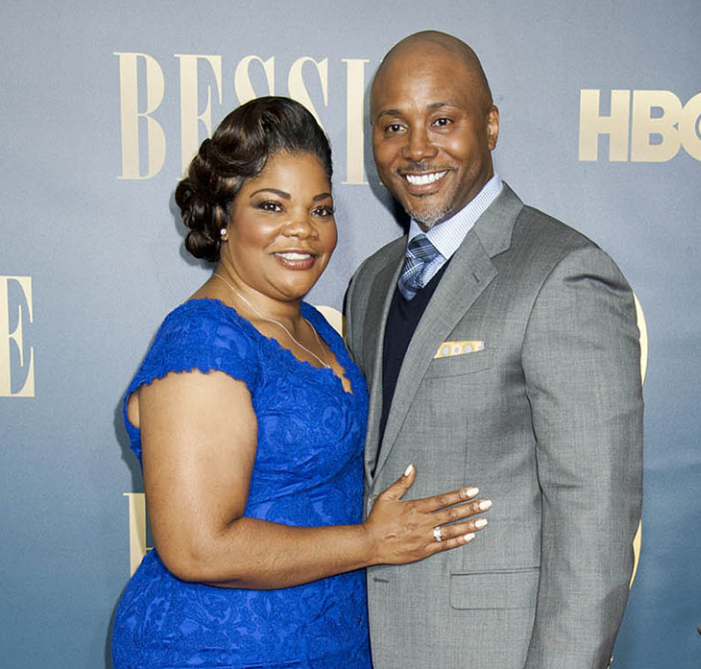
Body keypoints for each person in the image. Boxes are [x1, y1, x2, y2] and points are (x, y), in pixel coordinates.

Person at [111, 96, 489, 669]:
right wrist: (372, 541)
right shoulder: (204, 339)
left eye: (320, 209)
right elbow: (197, 547)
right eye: (271, 205)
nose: (302, 232)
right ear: (222, 217)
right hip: (218, 649)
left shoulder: (311, 323)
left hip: (328, 639)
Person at [345, 31, 644, 669]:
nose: (416, 148)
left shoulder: (563, 271)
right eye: (393, 125)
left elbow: (595, 511)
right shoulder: (370, 281)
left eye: (443, 120)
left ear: (491, 126)